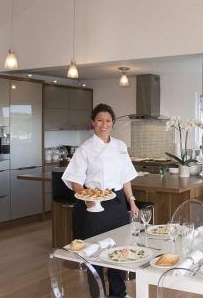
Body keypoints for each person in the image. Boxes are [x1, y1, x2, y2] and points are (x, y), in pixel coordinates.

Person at [62, 103, 139, 298]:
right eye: (99, 121)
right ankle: (98, 295)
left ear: (112, 123)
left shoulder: (120, 146)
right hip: (93, 205)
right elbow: (75, 181)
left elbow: (126, 177)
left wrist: (132, 201)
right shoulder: (85, 149)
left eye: (108, 121)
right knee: (94, 252)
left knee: (118, 249)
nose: (104, 125)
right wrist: (86, 197)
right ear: (93, 123)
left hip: (117, 203)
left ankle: (118, 293)